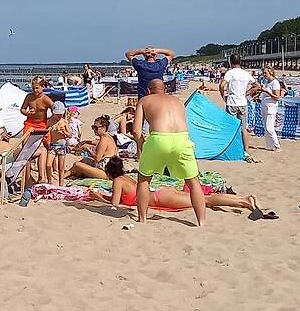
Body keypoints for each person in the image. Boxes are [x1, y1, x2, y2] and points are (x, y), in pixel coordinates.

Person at [90, 156, 268, 219]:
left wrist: (98, 197)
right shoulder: (127, 178)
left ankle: (244, 201)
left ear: (109, 172)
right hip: (162, 194)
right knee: (206, 200)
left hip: (160, 198)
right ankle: (243, 200)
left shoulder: (118, 181)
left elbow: (116, 204)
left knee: (206, 201)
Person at [134, 78, 205, 225]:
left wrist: (142, 146)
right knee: (193, 182)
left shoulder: (144, 100)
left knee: (144, 179)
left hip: (159, 138)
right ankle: (201, 221)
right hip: (182, 139)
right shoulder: (178, 101)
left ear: (148, 90)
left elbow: (136, 131)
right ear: (165, 90)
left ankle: (142, 218)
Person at [20, 77, 54, 181]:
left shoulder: (46, 99)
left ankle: (44, 174)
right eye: (33, 88)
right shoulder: (29, 97)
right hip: (30, 123)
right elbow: (22, 109)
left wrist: (51, 122)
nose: (35, 90)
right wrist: (27, 113)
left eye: (37, 88)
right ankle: (28, 176)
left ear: (43, 87)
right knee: (25, 147)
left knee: (48, 147)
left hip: (42, 124)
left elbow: (56, 110)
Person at [68, 115, 120, 180]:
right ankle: (65, 174)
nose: (94, 130)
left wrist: (88, 150)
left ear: (104, 128)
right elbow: (96, 142)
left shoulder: (104, 139)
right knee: (84, 160)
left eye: (96, 128)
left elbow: (97, 158)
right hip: (110, 168)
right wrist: (85, 142)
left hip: (106, 172)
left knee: (77, 164)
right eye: (93, 127)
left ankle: (64, 175)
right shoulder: (108, 136)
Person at [219, 55, 254, 151]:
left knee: (230, 126)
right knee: (243, 127)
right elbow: (257, 86)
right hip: (242, 102)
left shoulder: (230, 73)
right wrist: (246, 93)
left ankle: (231, 148)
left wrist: (223, 95)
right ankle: (246, 149)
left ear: (231, 62)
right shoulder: (245, 73)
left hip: (232, 101)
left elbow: (222, 85)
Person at [257, 66, 284, 151]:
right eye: (263, 73)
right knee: (266, 127)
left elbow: (277, 97)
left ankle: (277, 145)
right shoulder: (267, 82)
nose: (264, 75)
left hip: (271, 107)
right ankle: (270, 145)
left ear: (270, 72)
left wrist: (267, 91)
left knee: (269, 127)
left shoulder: (275, 83)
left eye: (265, 73)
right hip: (265, 105)